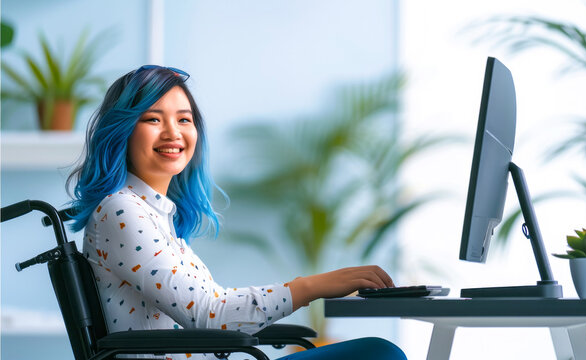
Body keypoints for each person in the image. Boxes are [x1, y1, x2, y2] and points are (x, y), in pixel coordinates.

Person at [67, 65, 407, 360]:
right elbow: (210, 315)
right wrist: (312, 286)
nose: (173, 132)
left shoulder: (155, 217)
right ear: (123, 131)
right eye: (153, 119)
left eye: (184, 119)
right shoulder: (121, 211)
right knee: (380, 354)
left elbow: (212, 307)